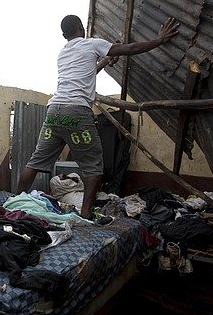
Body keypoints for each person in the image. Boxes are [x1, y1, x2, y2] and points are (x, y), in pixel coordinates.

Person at [17, 15, 180, 219]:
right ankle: (86, 213)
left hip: (54, 111)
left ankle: (16, 203)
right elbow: (128, 50)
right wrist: (160, 40)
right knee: (94, 166)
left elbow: (88, 72)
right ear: (80, 27)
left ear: (64, 35)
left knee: (35, 162)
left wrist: (106, 59)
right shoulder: (92, 44)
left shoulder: (63, 53)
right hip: (76, 111)